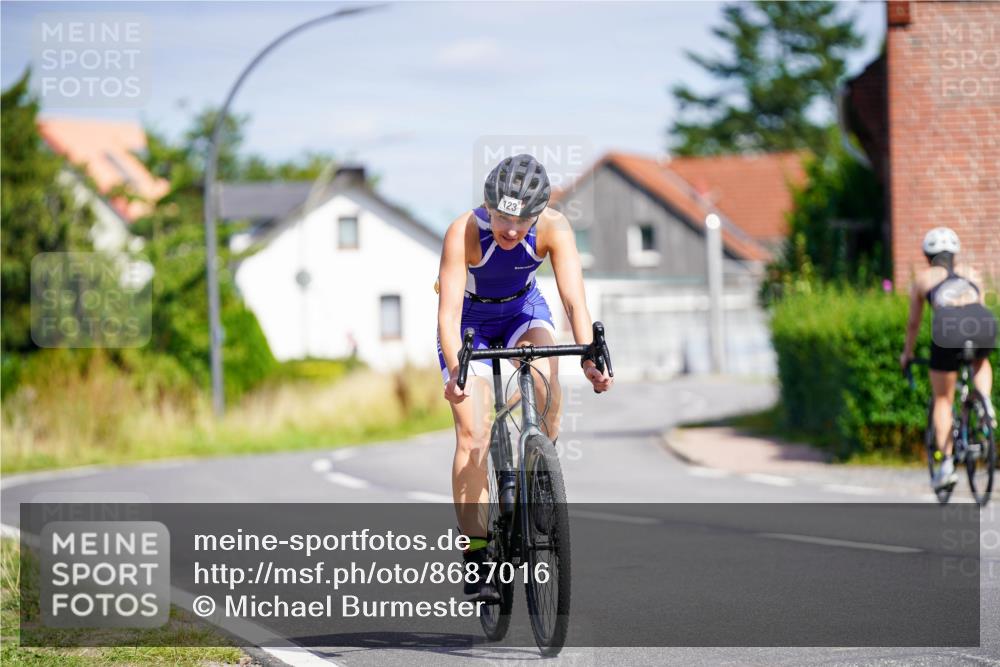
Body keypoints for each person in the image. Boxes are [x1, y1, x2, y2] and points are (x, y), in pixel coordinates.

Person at [436, 154, 613, 600]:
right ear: (488, 206)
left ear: (539, 214)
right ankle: (477, 555)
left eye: (522, 221)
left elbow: (574, 302)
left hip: (521, 310)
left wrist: (589, 357)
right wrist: (457, 371)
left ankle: (540, 472)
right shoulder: (462, 231)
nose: (512, 230)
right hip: (470, 324)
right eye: (502, 218)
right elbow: (448, 315)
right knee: (472, 436)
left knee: (546, 382)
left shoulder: (555, 228)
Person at [900, 227, 997, 491]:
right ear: (955, 253)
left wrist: (907, 354)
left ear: (927, 255)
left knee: (943, 398)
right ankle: (985, 404)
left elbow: (913, 323)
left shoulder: (924, 279)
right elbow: (979, 303)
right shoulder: (972, 273)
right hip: (982, 322)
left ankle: (945, 465)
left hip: (947, 326)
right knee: (980, 360)